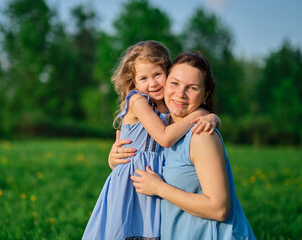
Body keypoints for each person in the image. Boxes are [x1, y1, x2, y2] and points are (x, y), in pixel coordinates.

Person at [82, 41, 220, 240]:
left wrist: (213, 117)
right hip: (132, 183)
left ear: (168, 72)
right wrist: (200, 112)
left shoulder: (169, 105)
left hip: (152, 182)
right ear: (135, 82)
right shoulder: (138, 101)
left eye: (157, 75)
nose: (152, 83)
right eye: (143, 78)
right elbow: (164, 138)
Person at [114, 52, 255, 239]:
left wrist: (160, 188)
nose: (180, 94)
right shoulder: (162, 131)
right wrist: (115, 160)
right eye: (174, 83)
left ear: (205, 94)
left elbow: (219, 209)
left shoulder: (201, 135)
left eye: (193, 88)